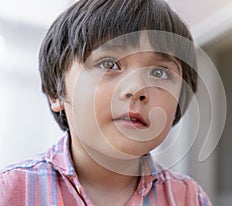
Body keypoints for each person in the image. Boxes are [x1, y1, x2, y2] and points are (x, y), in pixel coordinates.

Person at [0, 0, 212, 205]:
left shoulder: (189, 198)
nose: (137, 88)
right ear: (57, 92)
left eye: (159, 72)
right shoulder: (10, 191)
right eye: (109, 64)